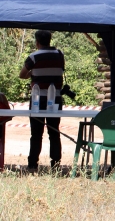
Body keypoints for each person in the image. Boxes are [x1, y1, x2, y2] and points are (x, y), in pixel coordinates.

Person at [19, 30, 65, 172]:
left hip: (38, 99)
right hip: (55, 98)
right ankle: (56, 165)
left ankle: (33, 165)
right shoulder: (59, 55)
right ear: (50, 40)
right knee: (54, 132)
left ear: (37, 42)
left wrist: (33, 74)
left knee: (36, 133)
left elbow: (22, 75)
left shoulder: (33, 57)